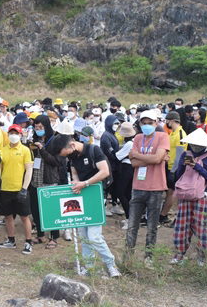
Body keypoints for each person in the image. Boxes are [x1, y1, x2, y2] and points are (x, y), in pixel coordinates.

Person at [50, 134, 121, 277]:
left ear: (72, 145)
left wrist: (86, 183)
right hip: (81, 197)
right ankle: (90, 267)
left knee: (94, 236)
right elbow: (75, 174)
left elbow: (104, 171)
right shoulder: (72, 157)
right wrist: (76, 182)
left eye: (67, 154)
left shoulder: (94, 150)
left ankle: (111, 265)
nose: (67, 157)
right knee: (83, 235)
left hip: (96, 195)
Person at [125, 109, 170, 265]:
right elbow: (134, 163)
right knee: (132, 226)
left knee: (152, 227)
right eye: (143, 123)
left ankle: (148, 258)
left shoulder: (163, 136)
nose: (146, 126)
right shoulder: (138, 137)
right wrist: (154, 158)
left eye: (150, 123)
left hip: (156, 188)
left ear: (156, 123)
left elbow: (157, 159)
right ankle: (128, 257)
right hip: (138, 187)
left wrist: (137, 155)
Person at [171, 128, 207, 266]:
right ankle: (179, 254)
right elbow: (178, 175)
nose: (194, 147)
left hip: (202, 195)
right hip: (185, 193)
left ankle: (202, 255)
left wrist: (196, 166)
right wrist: (184, 165)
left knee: (202, 225)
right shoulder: (185, 154)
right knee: (181, 224)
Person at [0, 124, 34, 255]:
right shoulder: (3, 150)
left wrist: (24, 188)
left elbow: (29, 170)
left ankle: (28, 241)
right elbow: (0, 169)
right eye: (11, 133)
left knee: (24, 216)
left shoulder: (25, 150)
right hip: (5, 188)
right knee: (8, 216)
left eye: (16, 133)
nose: (13, 135)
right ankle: (11, 239)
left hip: (20, 188)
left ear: (20, 135)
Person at [29, 115, 63, 247]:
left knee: (51, 210)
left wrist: (42, 150)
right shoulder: (34, 139)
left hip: (49, 180)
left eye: (40, 127)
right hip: (35, 180)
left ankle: (53, 237)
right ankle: (40, 235)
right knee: (36, 209)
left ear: (47, 127)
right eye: (36, 127)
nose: (38, 130)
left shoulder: (54, 141)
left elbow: (56, 161)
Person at [159, 111, 187, 224]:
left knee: (171, 192)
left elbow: (180, 154)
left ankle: (163, 215)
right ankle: (163, 213)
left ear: (171, 120)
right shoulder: (172, 133)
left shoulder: (180, 134)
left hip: (174, 168)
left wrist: (173, 170)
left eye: (167, 121)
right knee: (168, 192)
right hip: (168, 165)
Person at [114, 122, 136, 230]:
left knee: (120, 192)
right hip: (131, 169)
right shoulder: (133, 142)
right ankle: (131, 217)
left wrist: (111, 151)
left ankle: (129, 219)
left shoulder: (129, 144)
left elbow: (117, 156)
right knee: (127, 193)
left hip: (127, 168)